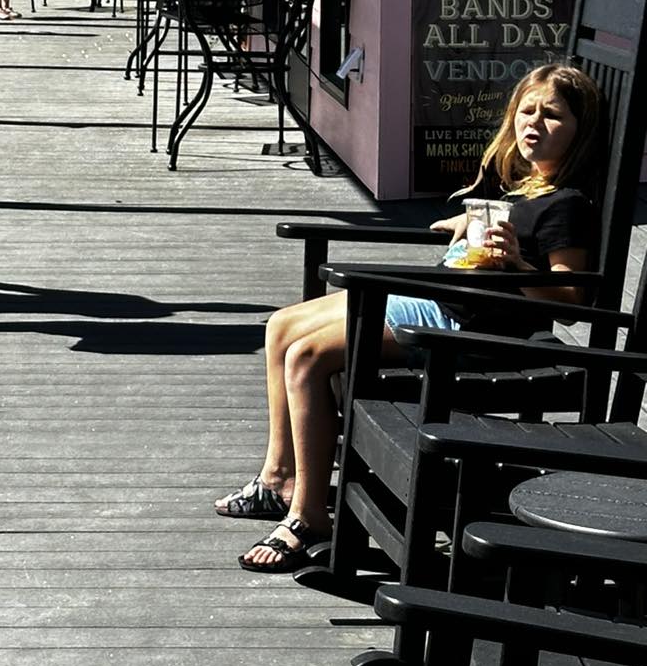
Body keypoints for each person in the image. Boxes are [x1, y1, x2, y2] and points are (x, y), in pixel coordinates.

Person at [215, 63, 601, 573]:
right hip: (445, 301)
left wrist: (517, 263)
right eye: (527, 111)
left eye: (552, 116)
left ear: (580, 130)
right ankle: (278, 479)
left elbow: (571, 297)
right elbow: (504, 229)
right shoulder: (524, 186)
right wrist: (470, 222)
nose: (535, 123)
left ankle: (309, 516)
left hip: (471, 328)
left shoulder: (567, 204)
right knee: (281, 327)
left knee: (308, 357)